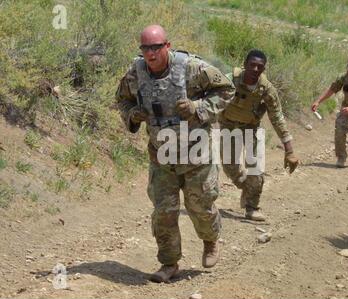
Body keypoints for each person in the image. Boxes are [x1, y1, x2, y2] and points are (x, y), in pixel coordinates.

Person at [115, 25, 235, 283]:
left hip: (196, 154)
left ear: (167, 46)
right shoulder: (136, 73)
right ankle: (169, 263)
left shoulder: (192, 68)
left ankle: (210, 240)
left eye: (156, 47)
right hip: (162, 156)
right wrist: (132, 114)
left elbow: (227, 89)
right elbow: (122, 100)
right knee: (164, 212)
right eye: (146, 48)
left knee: (200, 207)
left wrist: (198, 107)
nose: (151, 53)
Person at [219, 49, 299, 222]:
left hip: (250, 129)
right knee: (229, 166)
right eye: (252, 65)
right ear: (245, 65)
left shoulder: (266, 89)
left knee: (255, 167)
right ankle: (248, 189)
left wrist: (289, 150)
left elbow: (277, 117)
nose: (255, 69)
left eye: (259, 67)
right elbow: (210, 99)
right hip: (228, 126)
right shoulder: (229, 80)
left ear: (264, 69)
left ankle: (252, 207)